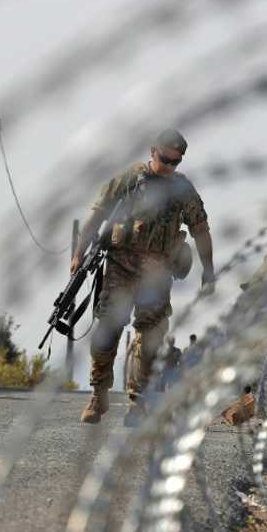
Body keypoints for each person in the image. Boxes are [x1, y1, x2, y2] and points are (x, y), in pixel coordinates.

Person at [74, 128, 215, 425]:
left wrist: (209, 270)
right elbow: (97, 216)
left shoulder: (182, 190)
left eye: (176, 162)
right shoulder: (128, 180)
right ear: (153, 151)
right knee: (107, 332)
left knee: (150, 340)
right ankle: (98, 395)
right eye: (165, 159)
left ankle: (138, 404)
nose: (169, 167)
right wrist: (78, 254)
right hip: (120, 268)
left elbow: (200, 229)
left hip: (157, 275)